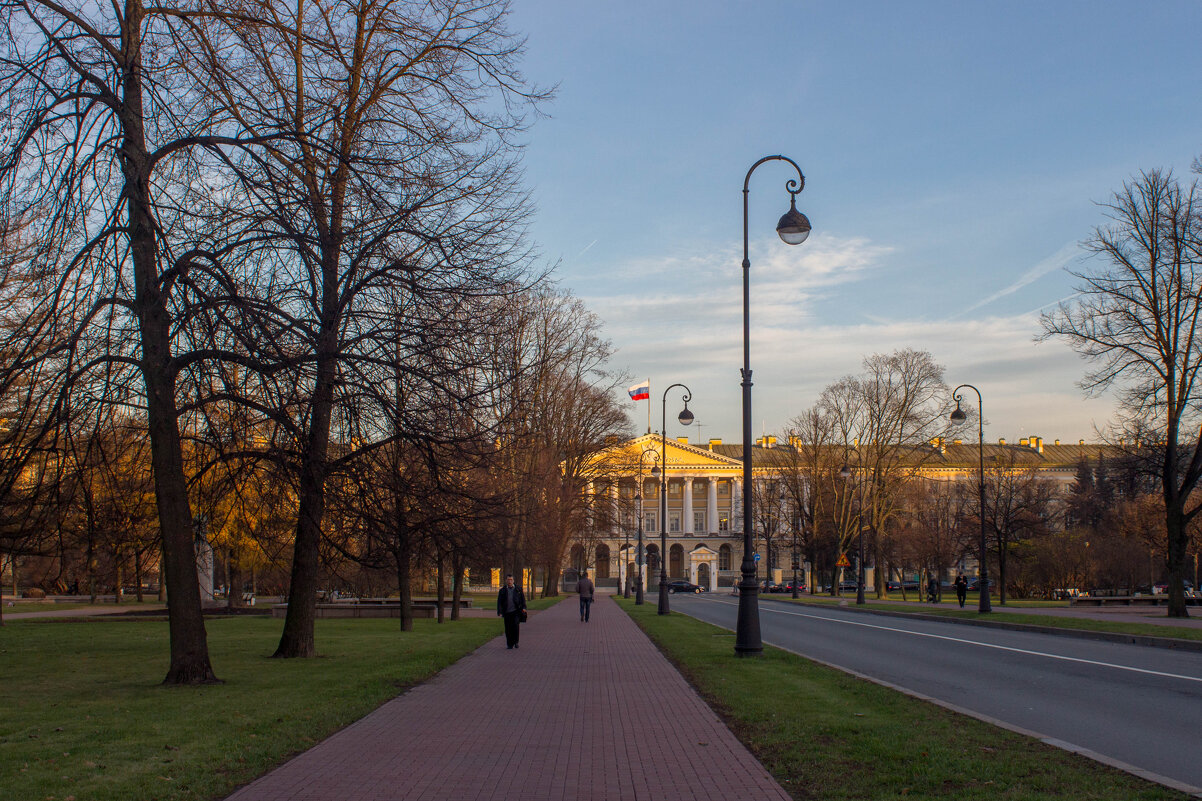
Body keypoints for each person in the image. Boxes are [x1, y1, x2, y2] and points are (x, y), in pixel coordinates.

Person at [496, 574, 527, 649]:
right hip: (507, 612)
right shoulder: (502, 590)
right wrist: (499, 611)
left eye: (511, 580)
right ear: (506, 581)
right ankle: (509, 644)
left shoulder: (518, 589)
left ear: (513, 581)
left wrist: (524, 607)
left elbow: (522, 599)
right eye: (508, 580)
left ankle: (516, 642)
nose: (509, 581)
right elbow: (499, 602)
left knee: (515, 627)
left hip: (516, 611)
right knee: (508, 628)